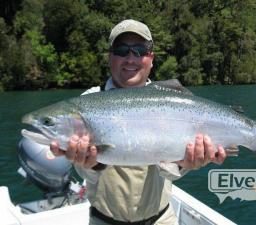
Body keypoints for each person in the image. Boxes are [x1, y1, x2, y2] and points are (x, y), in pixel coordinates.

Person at [50, 19, 227, 225]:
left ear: (151, 58)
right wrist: (92, 164)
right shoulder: (87, 103)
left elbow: (169, 172)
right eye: (122, 49)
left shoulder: (171, 101)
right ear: (110, 57)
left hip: (161, 220)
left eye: (140, 50)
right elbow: (87, 174)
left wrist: (184, 164)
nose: (130, 58)